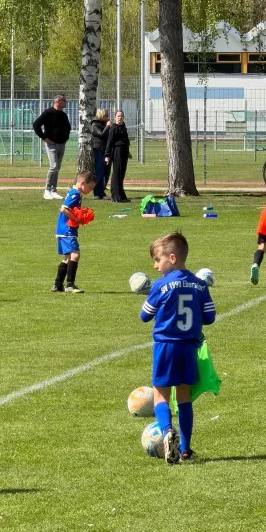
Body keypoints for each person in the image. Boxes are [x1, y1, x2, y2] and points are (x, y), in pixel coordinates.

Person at [140, 232, 216, 464]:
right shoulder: (200, 285)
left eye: (157, 260)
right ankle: (185, 448)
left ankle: (166, 431)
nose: (155, 266)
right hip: (188, 349)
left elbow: (145, 315)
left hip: (165, 347)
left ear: (172, 258)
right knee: (183, 397)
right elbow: (210, 317)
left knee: (161, 394)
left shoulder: (161, 285)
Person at [52, 170, 97, 293]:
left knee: (67, 258)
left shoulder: (73, 193)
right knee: (75, 255)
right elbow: (64, 209)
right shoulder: (75, 194)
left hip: (62, 230)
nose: (91, 190)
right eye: (90, 187)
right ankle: (70, 285)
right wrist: (77, 219)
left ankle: (58, 285)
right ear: (82, 183)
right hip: (67, 230)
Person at [33, 94, 72, 200]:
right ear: (58, 101)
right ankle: (47, 190)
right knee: (53, 166)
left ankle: (53, 190)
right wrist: (44, 138)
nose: (65, 103)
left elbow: (68, 127)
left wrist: (66, 138)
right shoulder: (48, 112)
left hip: (61, 144)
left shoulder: (63, 115)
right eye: (64, 101)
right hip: (51, 144)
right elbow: (36, 124)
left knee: (57, 168)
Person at [105, 109, 131, 203]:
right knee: (117, 173)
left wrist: (128, 152)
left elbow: (126, 139)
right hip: (117, 151)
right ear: (115, 117)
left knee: (122, 173)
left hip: (124, 151)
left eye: (121, 116)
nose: (120, 118)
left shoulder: (123, 127)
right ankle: (115, 196)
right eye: (118, 116)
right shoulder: (114, 128)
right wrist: (107, 155)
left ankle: (121, 194)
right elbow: (110, 142)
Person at [91, 108, 111, 199]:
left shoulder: (105, 124)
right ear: (101, 115)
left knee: (106, 172)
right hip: (99, 150)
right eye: (106, 115)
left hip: (107, 150)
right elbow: (101, 135)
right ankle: (97, 193)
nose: (107, 117)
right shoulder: (94, 125)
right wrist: (107, 127)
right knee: (99, 172)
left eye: (108, 115)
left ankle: (102, 192)